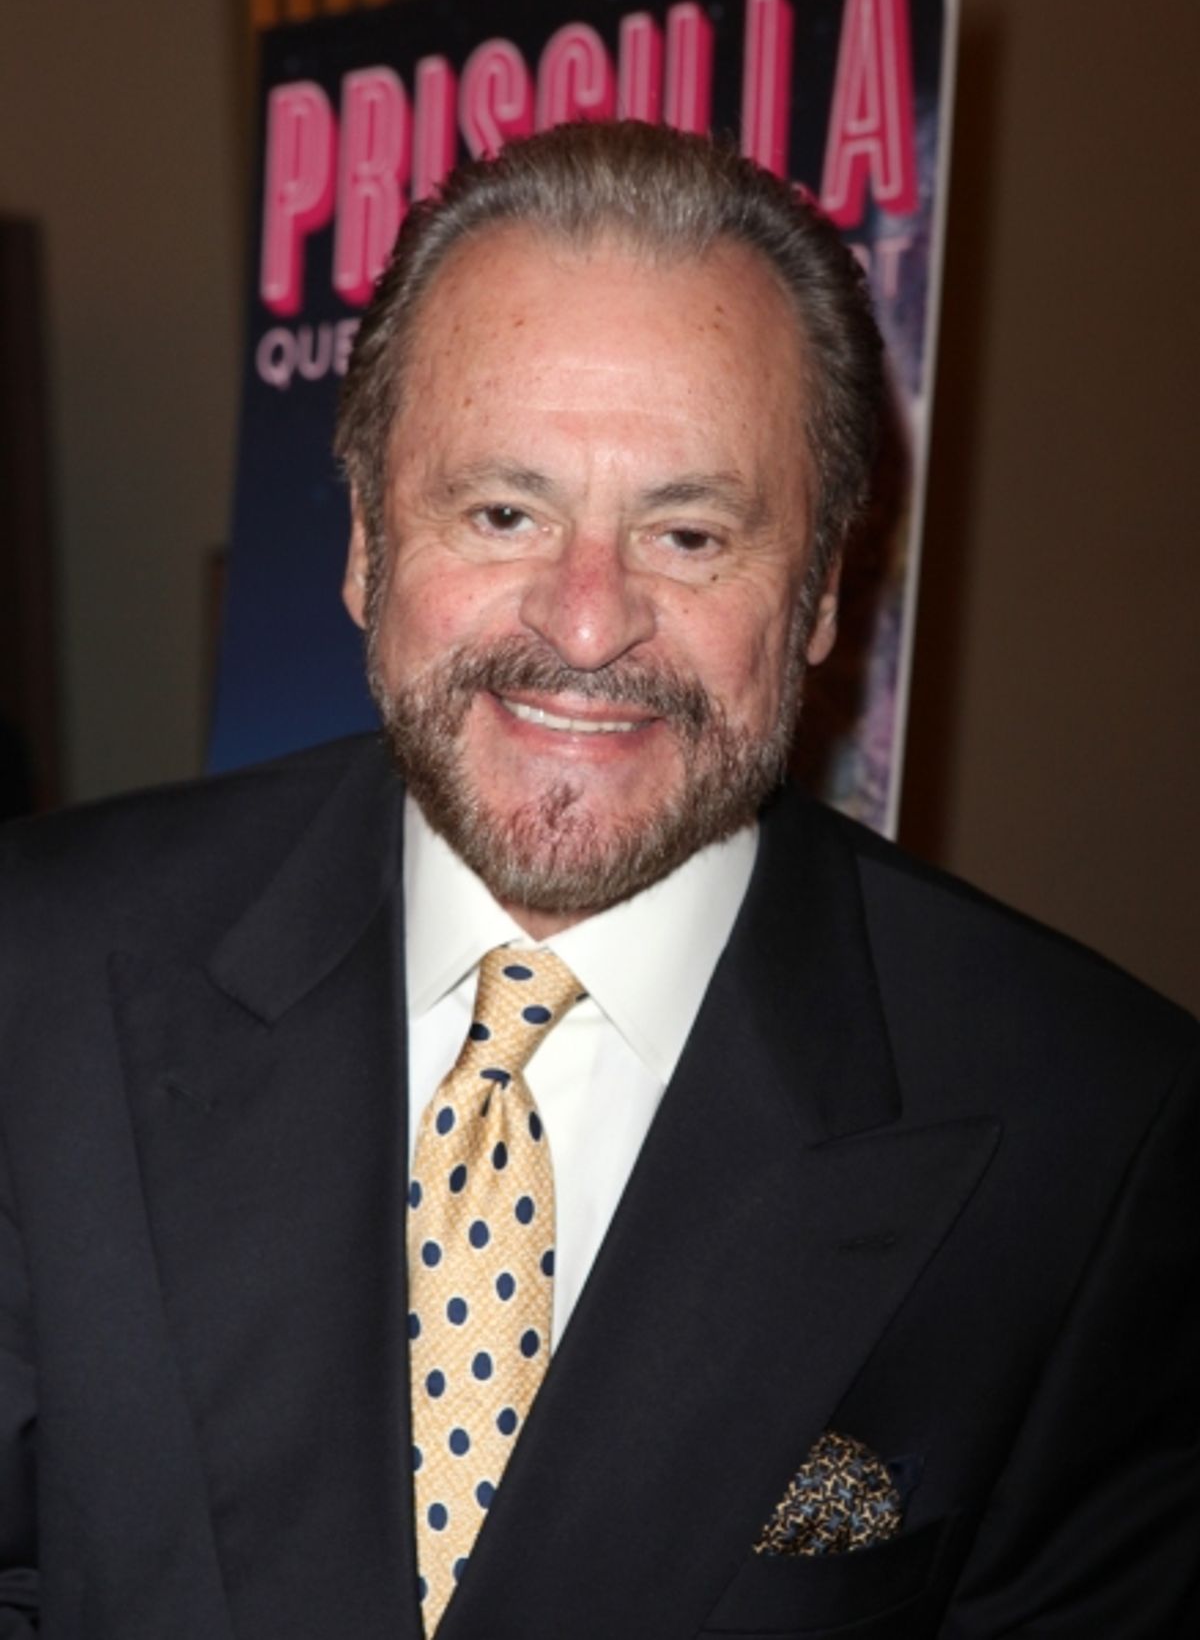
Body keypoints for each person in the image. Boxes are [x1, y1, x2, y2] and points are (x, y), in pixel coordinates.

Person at [0, 122, 1196, 1640]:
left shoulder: (1095, 1132)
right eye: (504, 513)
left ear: (822, 593)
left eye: (688, 533)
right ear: (365, 544)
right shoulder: (32, 972)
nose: (584, 625)